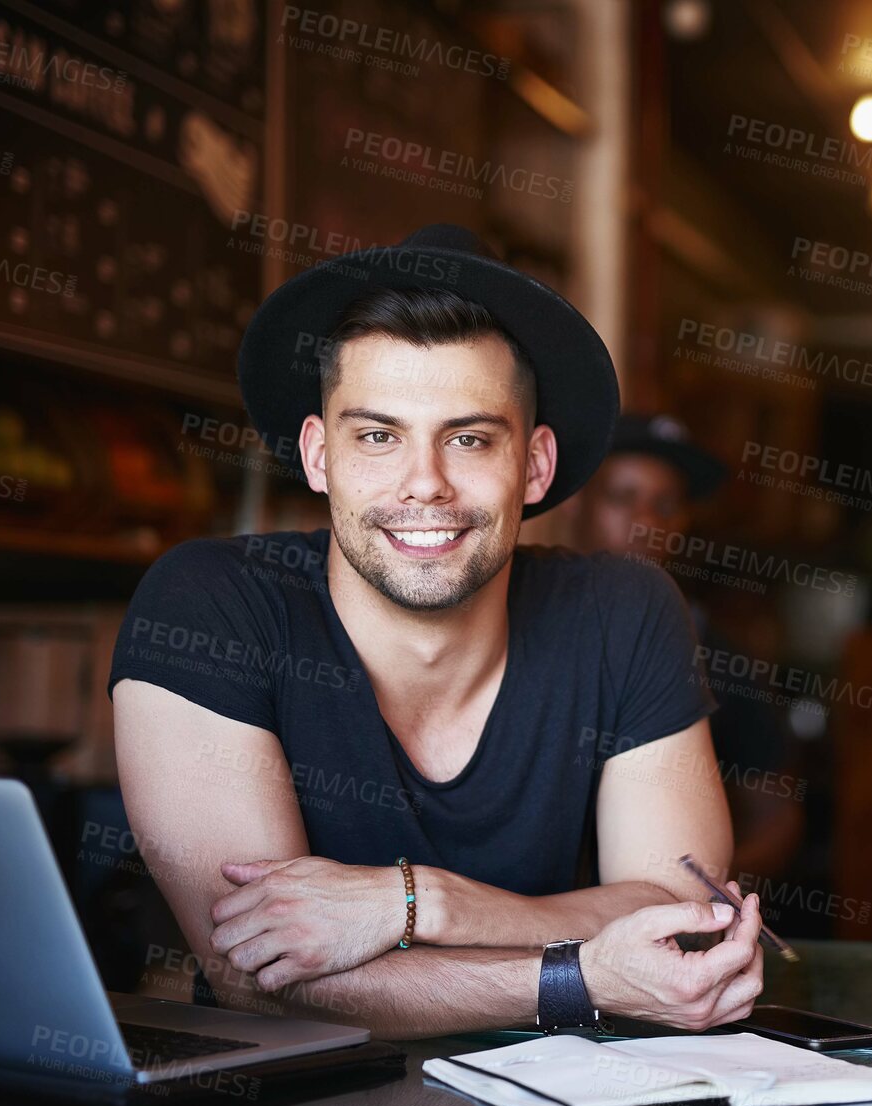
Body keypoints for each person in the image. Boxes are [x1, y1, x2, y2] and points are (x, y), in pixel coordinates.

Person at [110, 225, 762, 1039]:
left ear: (534, 465)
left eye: (469, 438)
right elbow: (254, 975)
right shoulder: (210, 604)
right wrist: (582, 974)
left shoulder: (621, 612)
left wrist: (413, 900)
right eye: (378, 435)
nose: (424, 484)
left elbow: (674, 912)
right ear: (319, 456)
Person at [573, 414, 804, 881]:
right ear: (576, 502)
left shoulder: (718, 655)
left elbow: (777, 814)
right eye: (623, 498)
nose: (646, 523)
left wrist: (697, 898)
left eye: (665, 505)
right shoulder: (517, 630)